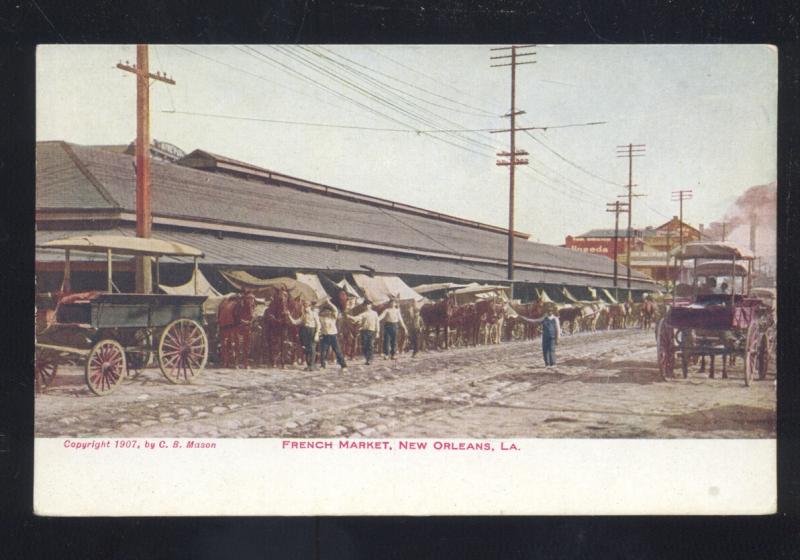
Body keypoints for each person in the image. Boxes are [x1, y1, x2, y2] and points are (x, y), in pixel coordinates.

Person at [286, 299, 321, 371]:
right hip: (305, 331)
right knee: (307, 348)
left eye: (307, 306)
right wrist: (289, 315)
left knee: (312, 348)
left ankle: (312, 365)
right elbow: (295, 322)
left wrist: (317, 334)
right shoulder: (303, 315)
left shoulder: (314, 314)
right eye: (304, 306)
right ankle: (309, 365)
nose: (305, 307)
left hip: (312, 330)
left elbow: (318, 324)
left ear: (310, 306)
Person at [317, 299, 348, 372]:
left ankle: (343, 365)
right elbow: (317, 312)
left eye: (328, 311)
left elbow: (335, 310)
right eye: (325, 311)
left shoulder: (333, 318)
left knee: (337, 351)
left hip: (333, 335)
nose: (327, 312)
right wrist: (321, 305)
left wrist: (329, 303)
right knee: (323, 351)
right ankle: (323, 365)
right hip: (325, 336)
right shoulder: (321, 318)